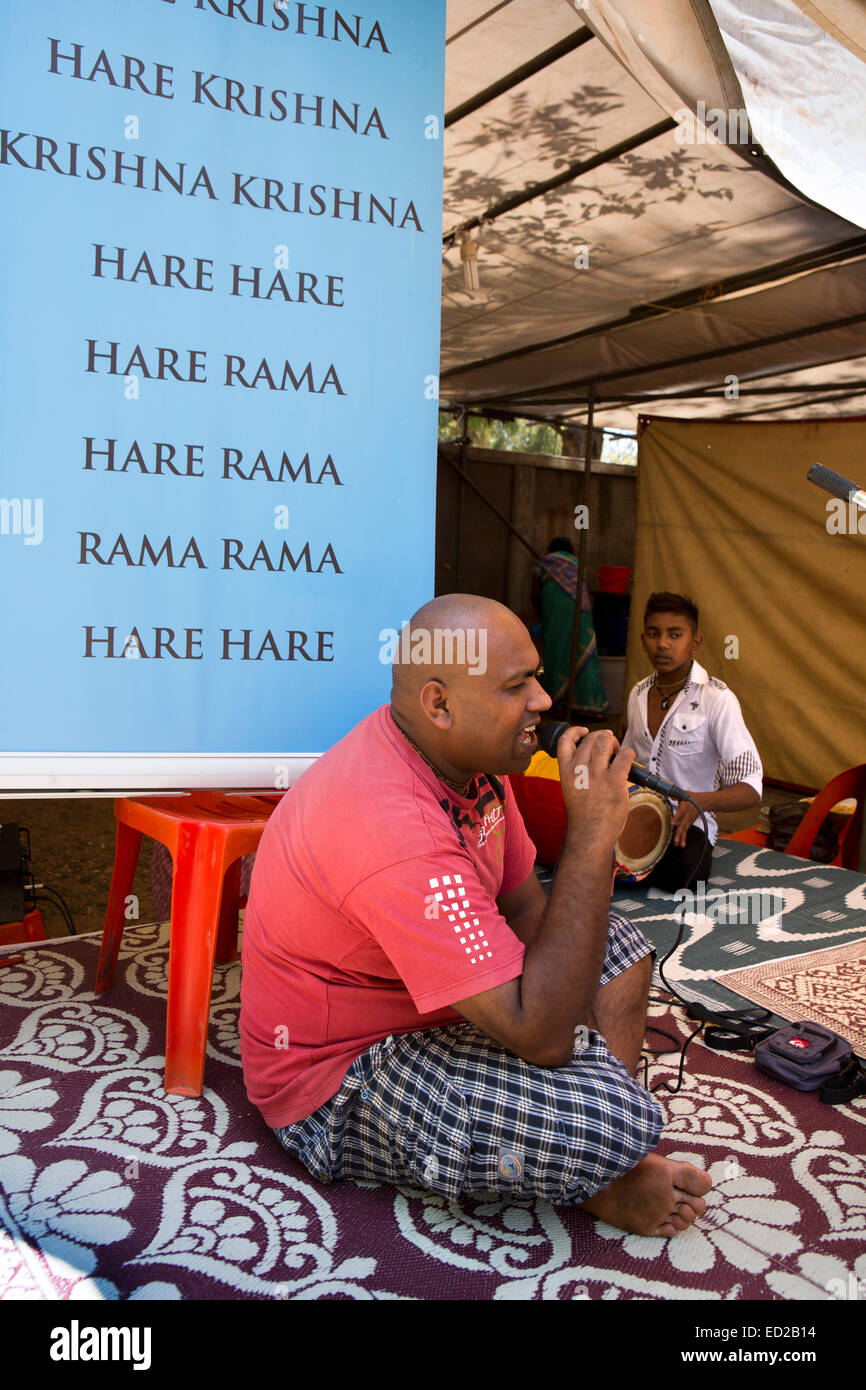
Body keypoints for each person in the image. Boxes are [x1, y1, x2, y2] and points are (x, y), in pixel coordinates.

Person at [240, 594, 711, 1236]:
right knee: (612, 1117)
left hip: (437, 1003)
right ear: (440, 704)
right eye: (518, 686)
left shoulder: (473, 767)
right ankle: (601, 1159)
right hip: (342, 1070)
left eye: (536, 677)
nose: (544, 701)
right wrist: (594, 834)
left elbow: (525, 906)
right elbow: (541, 1033)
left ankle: (594, 1160)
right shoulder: (390, 824)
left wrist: (562, 1020)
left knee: (621, 950)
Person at [623, 592, 763, 891]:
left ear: (695, 643)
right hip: (638, 817)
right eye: (654, 634)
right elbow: (628, 763)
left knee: (685, 878)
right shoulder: (638, 694)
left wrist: (699, 800)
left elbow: (751, 789)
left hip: (686, 827)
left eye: (675, 635)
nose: (663, 644)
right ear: (642, 638)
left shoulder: (718, 699)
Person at [533, 538, 608, 717]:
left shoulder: (545, 562)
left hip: (555, 610)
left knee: (556, 652)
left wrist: (541, 615)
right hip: (580, 611)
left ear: (550, 549)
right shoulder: (577, 563)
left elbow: (535, 593)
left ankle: (556, 704)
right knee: (584, 653)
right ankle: (588, 706)